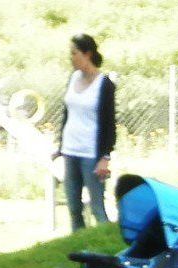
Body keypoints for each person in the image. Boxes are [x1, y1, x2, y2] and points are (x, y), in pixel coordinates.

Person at [55, 33, 116, 232]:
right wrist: (60, 147)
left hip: (91, 154)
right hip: (70, 151)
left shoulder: (104, 84)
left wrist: (105, 157)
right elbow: (67, 114)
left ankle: (106, 243)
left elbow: (109, 124)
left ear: (87, 54)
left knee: (97, 208)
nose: (71, 58)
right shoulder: (72, 78)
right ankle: (79, 245)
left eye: (74, 53)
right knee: (74, 208)